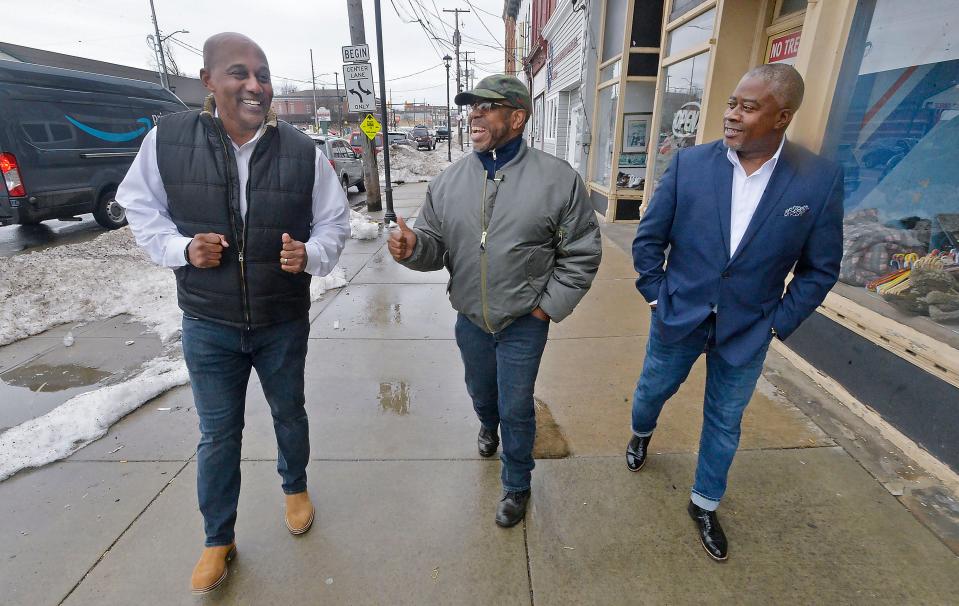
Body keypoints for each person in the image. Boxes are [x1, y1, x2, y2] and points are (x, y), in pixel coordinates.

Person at [116, 32, 350, 593]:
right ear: (208, 82)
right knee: (218, 434)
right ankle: (218, 538)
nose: (254, 85)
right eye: (239, 73)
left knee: (289, 413)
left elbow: (334, 223)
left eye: (263, 75)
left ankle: (295, 486)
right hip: (209, 323)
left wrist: (310, 255)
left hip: (280, 320)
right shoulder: (168, 141)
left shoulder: (302, 152)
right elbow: (137, 206)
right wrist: (181, 251)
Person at [626, 64, 843, 561]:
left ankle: (704, 503)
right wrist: (657, 295)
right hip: (678, 316)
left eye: (748, 107)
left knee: (724, 420)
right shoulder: (690, 165)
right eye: (730, 103)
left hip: (749, 329)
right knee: (650, 391)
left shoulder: (819, 180)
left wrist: (777, 323)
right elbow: (649, 239)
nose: (732, 115)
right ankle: (641, 432)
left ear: (782, 117)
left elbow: (819, 270)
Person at [387, 75, 601, 527]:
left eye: (487, 107)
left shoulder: (557, 180)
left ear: (517, 117)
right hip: (471, 319)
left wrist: (545, 308)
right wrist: (412, 248)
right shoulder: (447, 182)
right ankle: (487, 423)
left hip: (524, 320)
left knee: (516, 405)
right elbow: (433, 244)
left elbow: (581, 254)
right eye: (471, 107)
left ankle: (516, 484)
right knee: (482, 393)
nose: (474, 114)